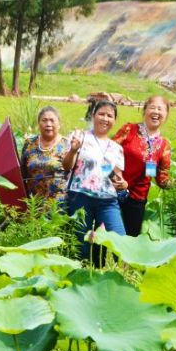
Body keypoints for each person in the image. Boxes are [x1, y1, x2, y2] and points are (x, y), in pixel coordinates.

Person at [63, 100, 126, 262]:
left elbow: (117, 178)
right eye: (101, 114)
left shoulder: (116, 148)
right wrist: (73, 150)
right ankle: (82, 278)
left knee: (121, 241)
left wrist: (123, 184)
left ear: (114, 120)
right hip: (80, 197)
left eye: (109, 116)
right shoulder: (80, 137)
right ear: (93, 115)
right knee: (81, 248)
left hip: (108, 201)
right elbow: (66, 166)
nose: (105, 119)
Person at [112, 95, 172, 236]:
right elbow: (109, 152)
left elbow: (162, 179)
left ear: (166, 115)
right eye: (152, 107)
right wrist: (116, 177)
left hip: (137, 198)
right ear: (144, 110)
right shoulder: (129, 129)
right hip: (114, 189)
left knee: (130, 241)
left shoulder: (164, 145)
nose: (156, 112)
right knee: (105, 235)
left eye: (160, 109)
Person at [19, 106, 70, 203]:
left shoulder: (67, 145)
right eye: (44, 120)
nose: (48, 124)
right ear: (39, 124)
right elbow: (22, 173)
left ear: (59, 124)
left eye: (52, 120)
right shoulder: (29, 143)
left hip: (59, 205)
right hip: (34, 204)